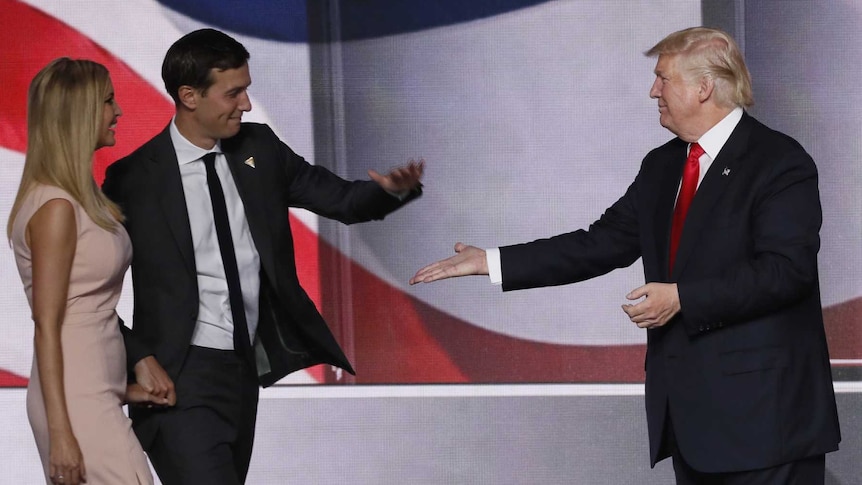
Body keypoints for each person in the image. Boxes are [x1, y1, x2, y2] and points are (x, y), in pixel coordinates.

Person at [411, 27, 840, 484]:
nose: (652, 90)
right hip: (694, 429)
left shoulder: (778, 161)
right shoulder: (662, 166)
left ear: (704, 87)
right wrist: (492, 261)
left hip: (766, 425)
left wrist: (683, 298)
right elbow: (599, 243)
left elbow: (785, 272)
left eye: (663, 78)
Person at [101, 28, 423, 484]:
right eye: (233, 93)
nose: (247, 104)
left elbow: (344, 202)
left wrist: (392, 190)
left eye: (246, 90)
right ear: (189, 96)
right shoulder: (133, 178)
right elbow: (85, 290)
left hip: (243, 371)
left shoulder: (260, 149)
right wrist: (137, 355)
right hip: (177, 378)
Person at [8, 58, 162, 485]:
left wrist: (123, 388)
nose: (119, 112)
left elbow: (89, 316)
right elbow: (48, 325)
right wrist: (62, 434)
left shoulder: (75, 199)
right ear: (79, 113)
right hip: (73, 405)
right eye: (109, 100)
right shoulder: (55, 207)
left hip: (91, 394)